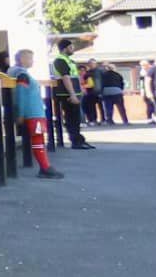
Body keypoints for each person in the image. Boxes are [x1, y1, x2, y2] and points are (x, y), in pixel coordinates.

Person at [6, 50, 64, 179]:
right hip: (32, 112)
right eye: (30, 58)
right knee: (38, 139)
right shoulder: (22, 74)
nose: (32, 61)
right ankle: (45, 167)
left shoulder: (17, 73)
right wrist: (21, 113)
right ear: (22, 59)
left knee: (38, 139)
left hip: (32, 111)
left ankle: (45, 166)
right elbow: (21, 94)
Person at [49, 39, 93, 149]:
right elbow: (66, 77)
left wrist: (79, 90)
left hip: (74, 92)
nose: (73, 49)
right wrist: (72, 94)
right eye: (71, 47)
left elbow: (74, 77)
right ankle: (75, 141)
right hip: (65, 94)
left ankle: (79, 139)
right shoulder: (60, 61)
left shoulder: (69, 61)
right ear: (64, 48)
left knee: (76, 118)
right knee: (71, 118)